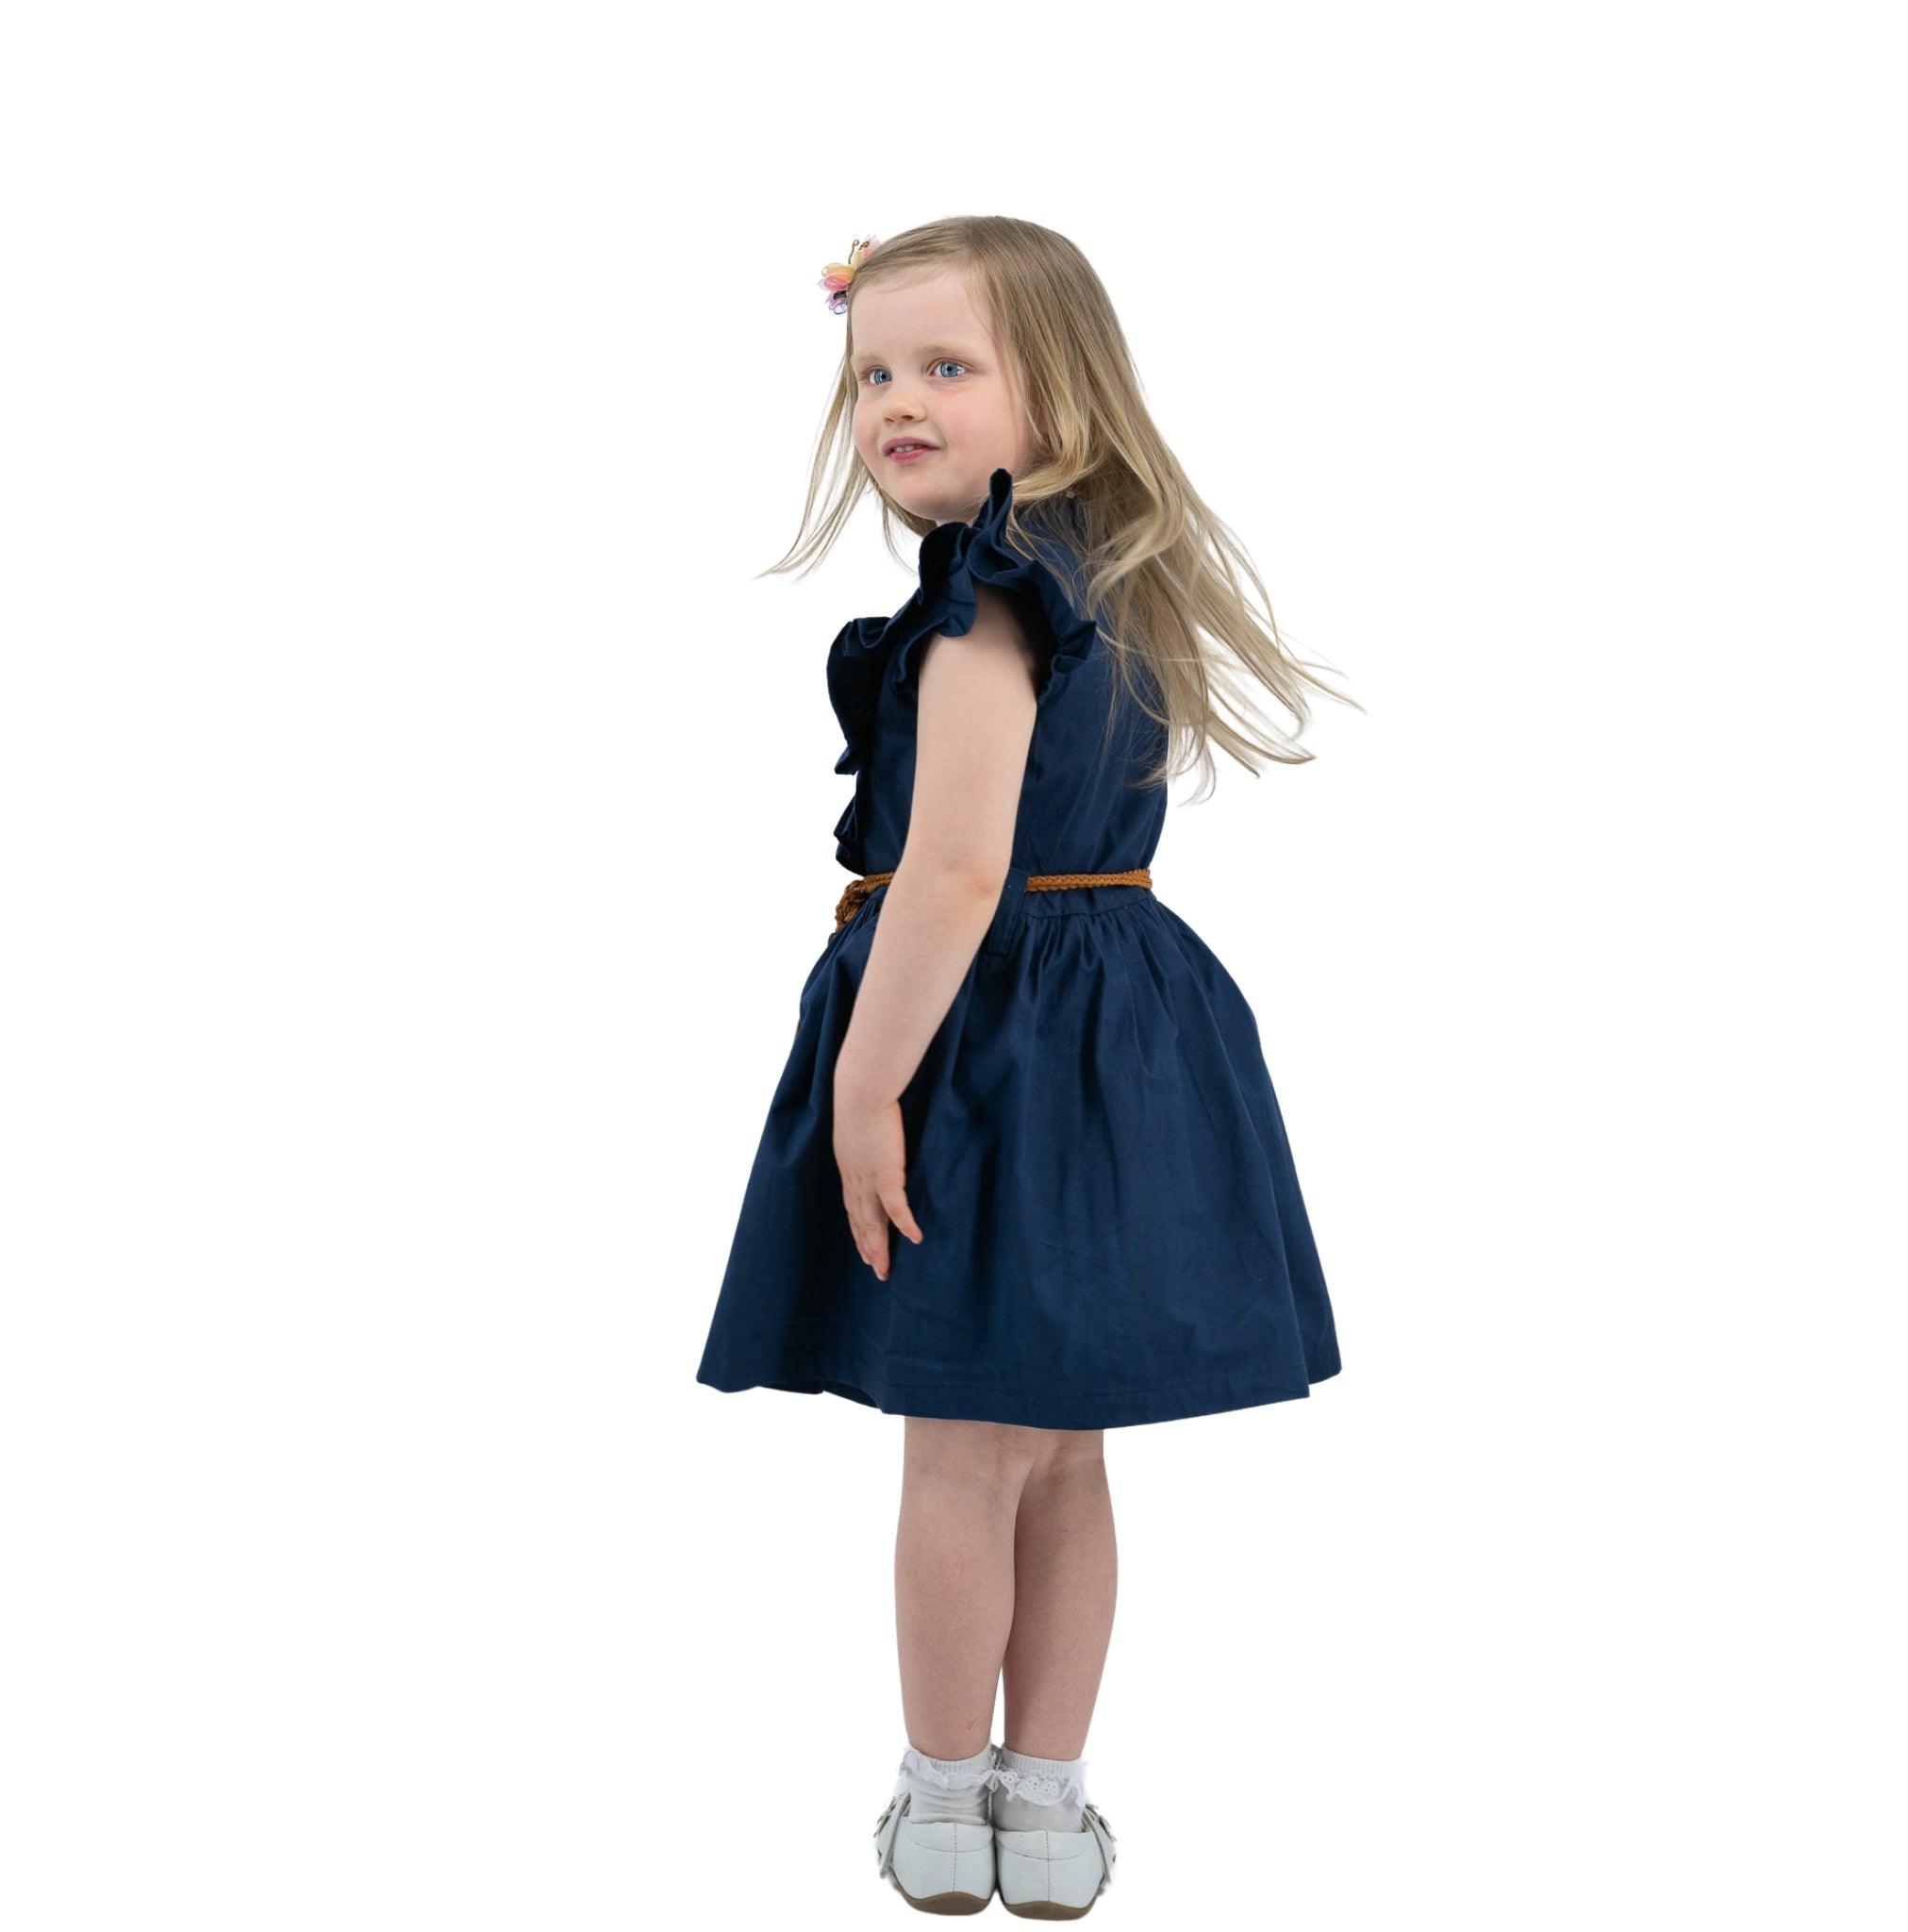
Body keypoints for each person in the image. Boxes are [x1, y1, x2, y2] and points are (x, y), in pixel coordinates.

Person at [694, 216, 1352, 1917]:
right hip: (1113, 1030)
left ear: (1056, 392)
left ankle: (937, 1803)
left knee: (958, 1454)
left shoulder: (992, 591)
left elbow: (959, 870)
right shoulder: (1099, 572)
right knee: (1061, 1451)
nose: (895, 402)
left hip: (986, 1041)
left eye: (943, 367)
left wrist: (866, 1084)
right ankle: (1047, 1809)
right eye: (871, 377)